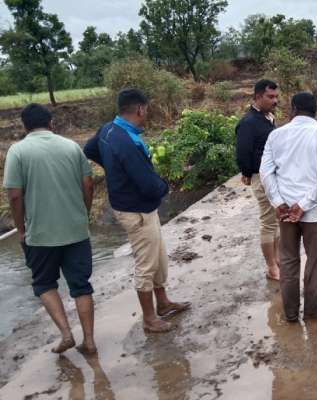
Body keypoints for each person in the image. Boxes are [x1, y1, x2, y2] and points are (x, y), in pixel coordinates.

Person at [84, 88, 190, 334]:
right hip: (136, 210)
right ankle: (149, 318)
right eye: (147, 109)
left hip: (134, 205)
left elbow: (89, 150)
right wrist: (165, 186)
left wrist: (114, 170)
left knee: (158, 258)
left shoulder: (109, 129)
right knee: (146, 264)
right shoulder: (125, 142)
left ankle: (162, 303)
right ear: (140, 108)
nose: (147, 113)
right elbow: (148, 184)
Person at [3, 104, 96, 354]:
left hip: (40, 236)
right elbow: (88, 185)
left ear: (24, 127)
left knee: (44, 284)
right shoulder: (71, 146)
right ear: (51, 122)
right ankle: (89, 340)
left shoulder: (18, 151)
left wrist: (21, 229)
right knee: (81, 286)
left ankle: (66, 334)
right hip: (76, 231)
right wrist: (83, 216)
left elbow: (14, 195)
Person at [260, 92, 317, 322]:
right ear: (316, 110)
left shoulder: (276, 136)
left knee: (289, 261)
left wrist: (278, 201)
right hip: (314, 212)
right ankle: (314, 311)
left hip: (285, 213)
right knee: (316, 262)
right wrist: (303, 205)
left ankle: (291, 313)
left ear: (293, 108)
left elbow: (266, 172)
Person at [236, 79, 281, 281]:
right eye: (270, 97)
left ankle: (277, 260)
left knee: (277, 220)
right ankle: (271, 267)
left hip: (274, 176)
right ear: (257, 97)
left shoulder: (268, 118)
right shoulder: (248, 123)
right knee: (268, 222)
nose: (275, 100)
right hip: (261, 177)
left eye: (276, 96)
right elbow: (243, 152)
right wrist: (247, 172)